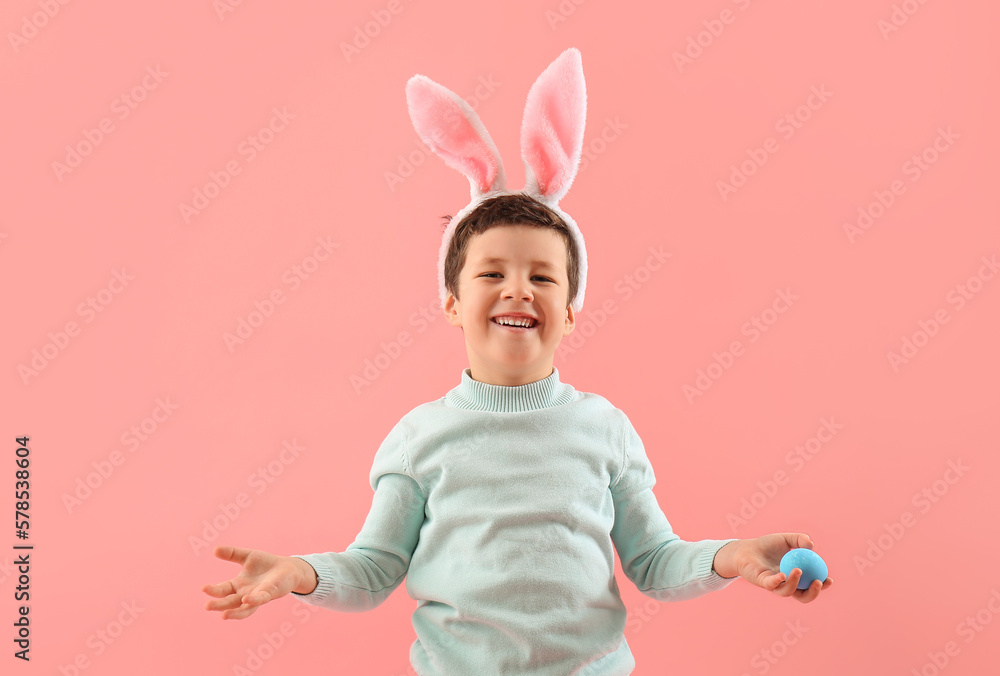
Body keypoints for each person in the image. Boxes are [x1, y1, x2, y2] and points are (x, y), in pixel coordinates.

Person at [202, 49, 832, 675]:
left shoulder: (605, 430)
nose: (519, 290)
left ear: (572, 310)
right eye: (492, 273)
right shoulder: (419, 439)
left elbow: (655, 562)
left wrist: (732, 557)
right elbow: (372, 570)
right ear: (452, 303)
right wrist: (300, 572)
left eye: (543, 277)